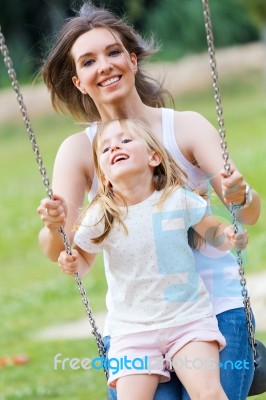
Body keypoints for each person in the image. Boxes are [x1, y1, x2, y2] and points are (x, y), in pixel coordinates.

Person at [37, 2, 260, 399]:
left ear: (133, 60)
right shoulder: (79, 151)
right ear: (78, 82)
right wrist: (54, 226)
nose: (103, 66)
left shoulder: (184, 127)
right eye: (88, 61)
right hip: (138, 324)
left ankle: (243, 358)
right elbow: (59, 247)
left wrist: (239, 196)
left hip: (213, 309)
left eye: (113, 52)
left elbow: (249, 212)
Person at [58, 118, 249, 400]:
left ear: (154, 157)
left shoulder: (176, 199)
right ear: (105, 176)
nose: (115, 148)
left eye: (125, 141)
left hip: (188, 321)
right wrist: (73, 263)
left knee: (209, 393)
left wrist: (230, 235)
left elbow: (213, 232)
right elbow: (84, 259)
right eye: (106, 148)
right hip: (131, 331)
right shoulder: (101, 215)